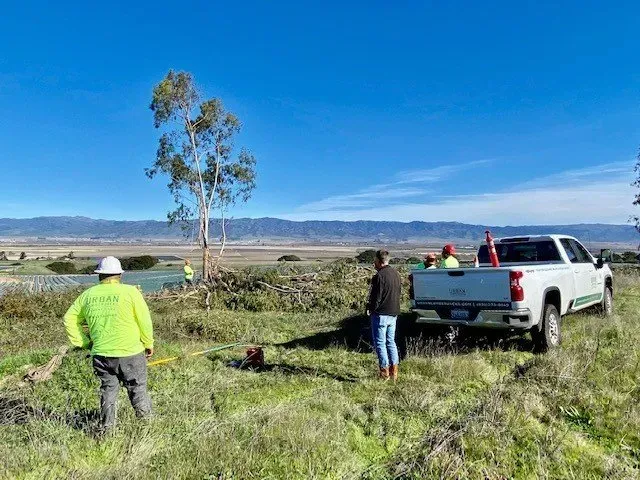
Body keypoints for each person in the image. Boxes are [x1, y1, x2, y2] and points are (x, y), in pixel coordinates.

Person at [64, 256, 154, 431]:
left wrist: (84, 342)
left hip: (102, 354)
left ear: (99, 275)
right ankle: (147, 428)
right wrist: (148, 343)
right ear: (119, 275)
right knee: (137, 389)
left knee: (108, 391)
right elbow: (144, 320)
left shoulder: (88, 295)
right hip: (131, 352)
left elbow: (69, 318)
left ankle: (107, 429)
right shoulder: (131, 292)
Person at [367, 249, 402, 381]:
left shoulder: (379, 276)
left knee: (380, 343)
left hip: (381, 313)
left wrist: (371, 309)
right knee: (391, 342)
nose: (374, 263)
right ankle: (394, 372)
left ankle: (384, 372)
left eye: (375, 261)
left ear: (378, 261)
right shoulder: (396, 274)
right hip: (394, 312)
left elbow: (376, 297)